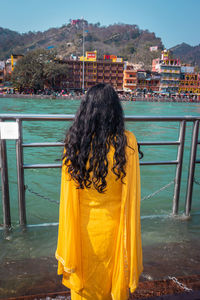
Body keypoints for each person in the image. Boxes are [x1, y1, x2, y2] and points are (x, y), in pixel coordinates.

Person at [55, 83, 143, 300]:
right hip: (115, 230)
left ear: (86, 109)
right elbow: (131, 195)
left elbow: (68, 196)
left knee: (85, 287)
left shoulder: (75, 143)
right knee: (112, 283)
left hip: (82, 231)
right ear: (115, 110)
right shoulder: (127, 142)